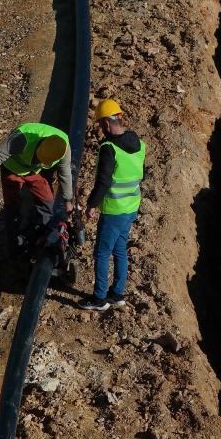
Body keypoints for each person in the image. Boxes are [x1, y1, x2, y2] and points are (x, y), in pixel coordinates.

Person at [81, 98, 145, 311]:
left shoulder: (109, 148)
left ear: (107, 124)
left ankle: (99, 299)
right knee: (119, 250)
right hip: (131, 207)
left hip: (114, 210)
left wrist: (91, 205)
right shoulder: (140, 145)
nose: (101, 129)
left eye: (100, 125)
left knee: (101, 252)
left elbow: (104, 181)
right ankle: (117, 294)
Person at [0, 122, 74, 257]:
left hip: (34, 172)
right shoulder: (22, 139)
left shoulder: (63, 148)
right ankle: (15, 249)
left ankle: (43, 241)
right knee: (13, 209)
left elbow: (65, 173)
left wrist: (68, 200)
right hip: (12, 169)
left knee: (48, 203)